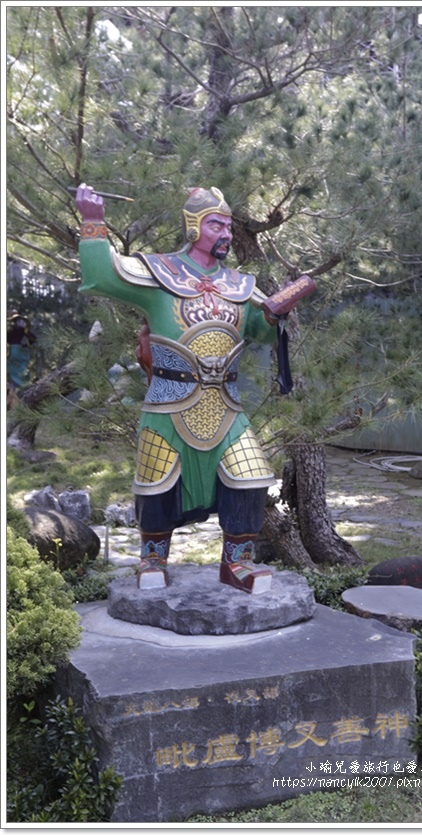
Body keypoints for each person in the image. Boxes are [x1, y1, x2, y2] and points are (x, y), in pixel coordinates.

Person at [76, 183, 285, 593]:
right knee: (156, 484)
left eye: (228, 226)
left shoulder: (239, 284)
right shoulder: (160, 273)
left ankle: (237, 563)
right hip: (168, 405)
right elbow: (102, 275)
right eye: (215, 225)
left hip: (226, 406)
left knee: (250, 479)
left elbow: (260, 331)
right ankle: (152, 559)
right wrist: (93, 221)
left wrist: (276, 314)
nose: (225, 234)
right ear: (193, 226)